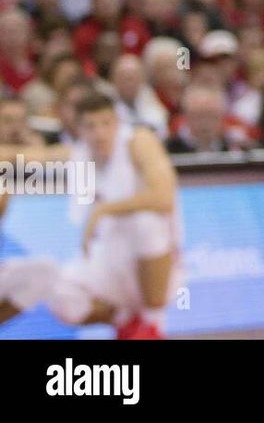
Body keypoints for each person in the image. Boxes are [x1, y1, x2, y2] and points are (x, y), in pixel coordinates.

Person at [0, 92, 181, 338]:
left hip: (157, 260)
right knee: (61, 295)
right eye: (91, 126)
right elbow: (18, 158)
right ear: (79, 129)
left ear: (117, 121)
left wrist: (103, 210)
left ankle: (152, 323)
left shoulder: (138, 141)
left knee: (144, 222)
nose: (100, 133)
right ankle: (125, 320)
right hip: (109, 258)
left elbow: (163, 199)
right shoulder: (79, 153)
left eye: (106, 123)